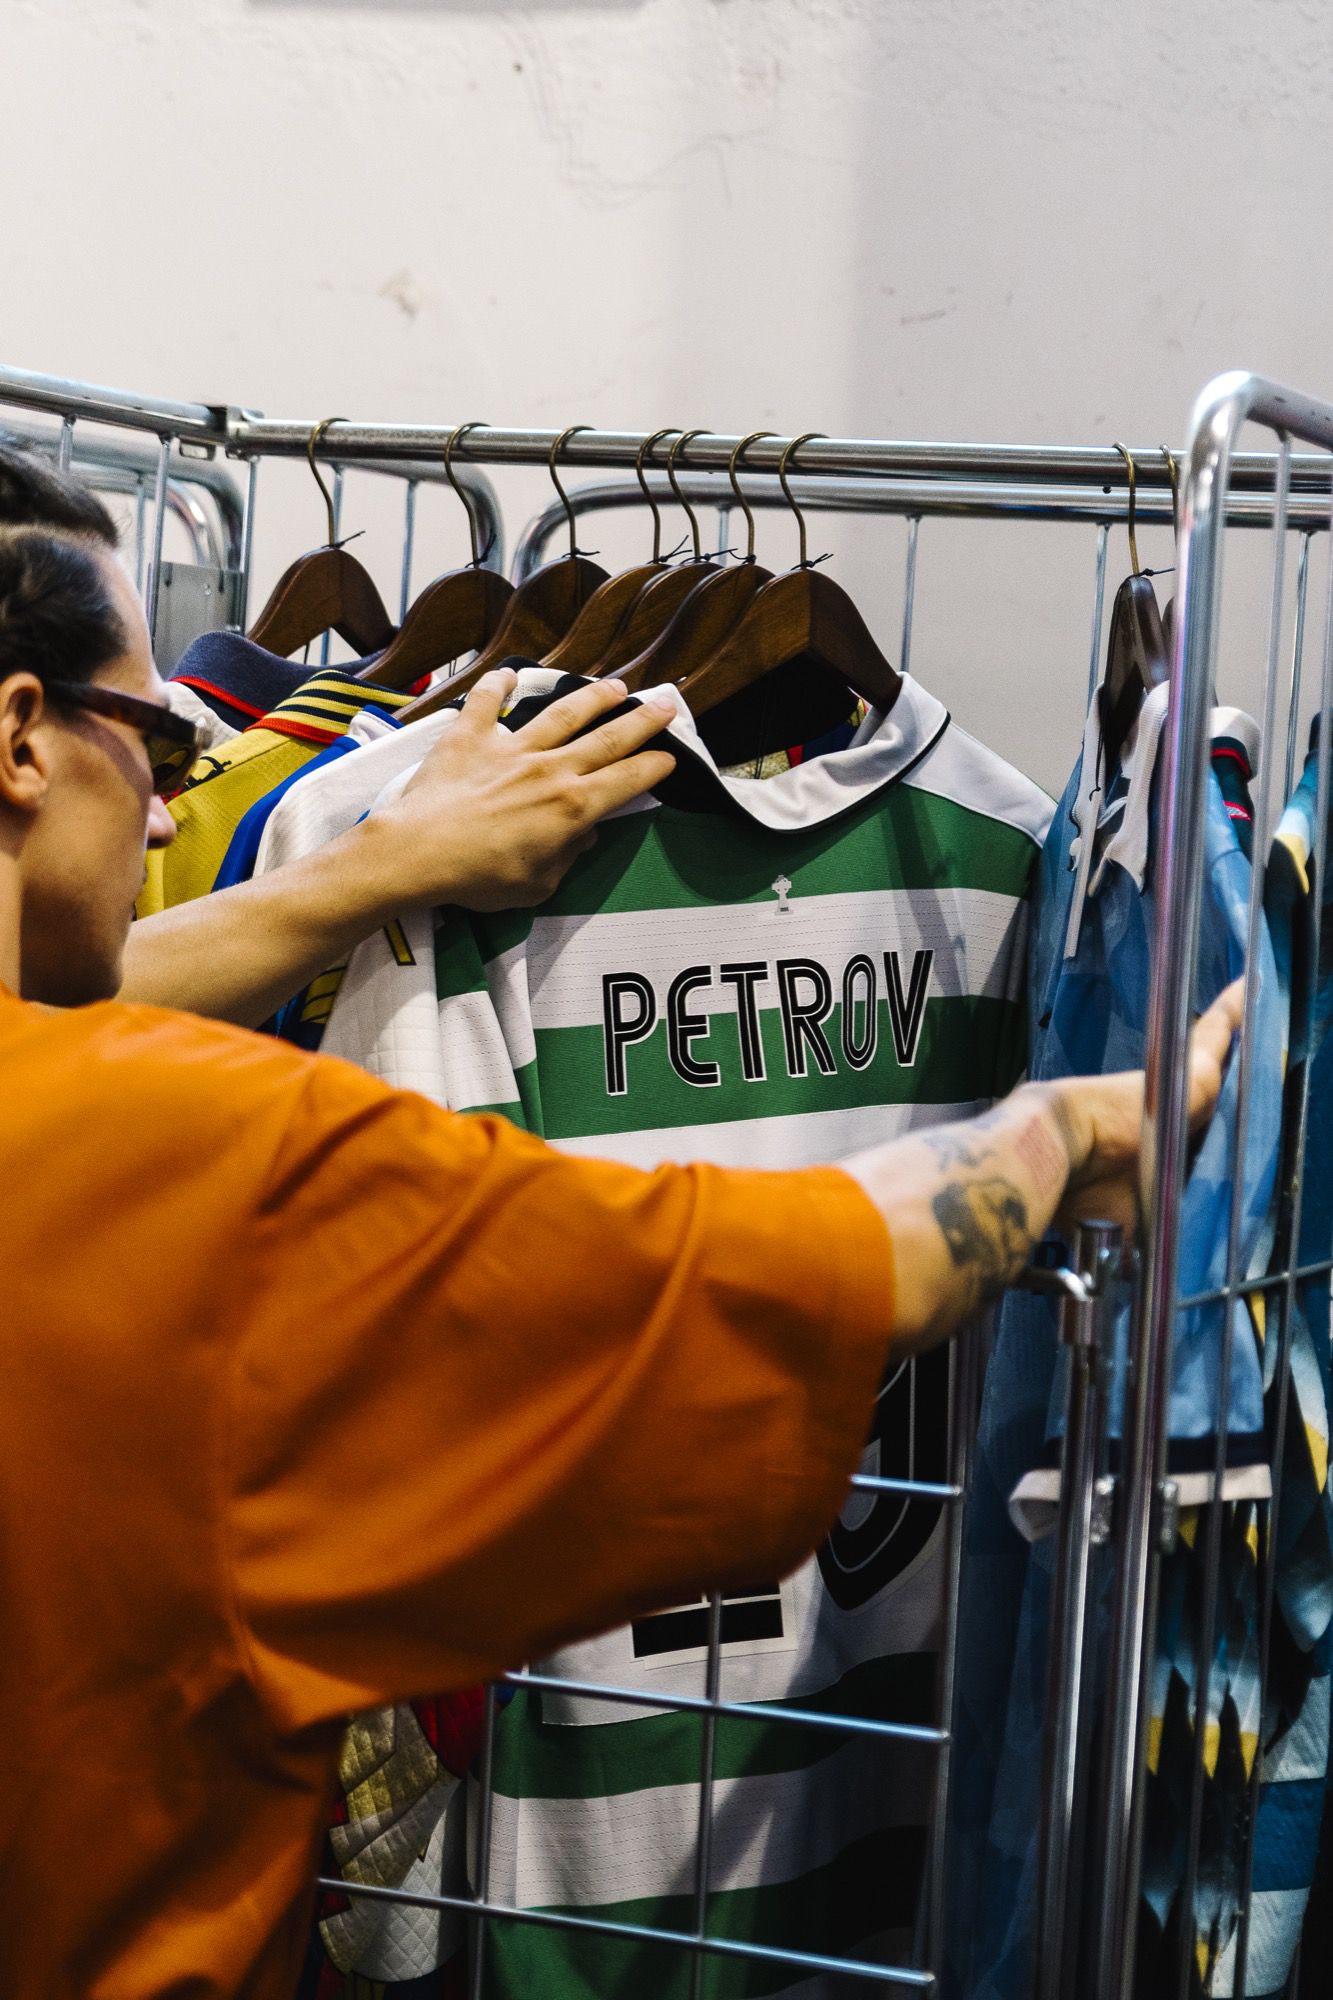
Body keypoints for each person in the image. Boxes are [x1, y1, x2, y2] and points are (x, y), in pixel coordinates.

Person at [0, 447, 1242, 2000]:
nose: (175, 803)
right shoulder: (210, 1166)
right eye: (162, 733)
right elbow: (743, 1282)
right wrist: (1064, 1138)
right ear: (22, 739)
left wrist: (372, 871)